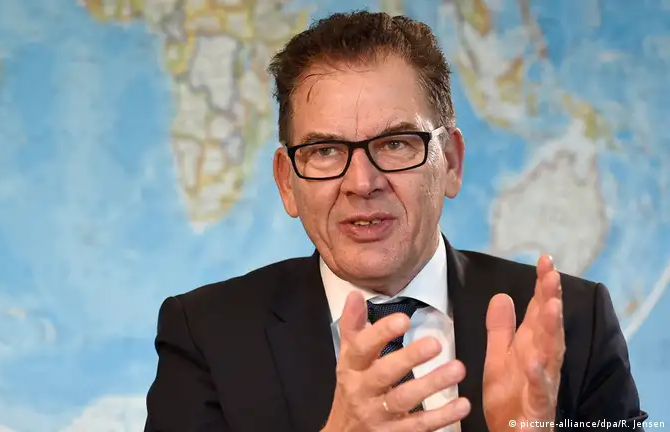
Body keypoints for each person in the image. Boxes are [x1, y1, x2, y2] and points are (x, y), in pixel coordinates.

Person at [144, 10, 648, 432]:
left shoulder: (574, 324)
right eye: (325, 151)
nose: (362, 182)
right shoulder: (207, 336)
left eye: (395, 144)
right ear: (286, 182)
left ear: (451, 162)